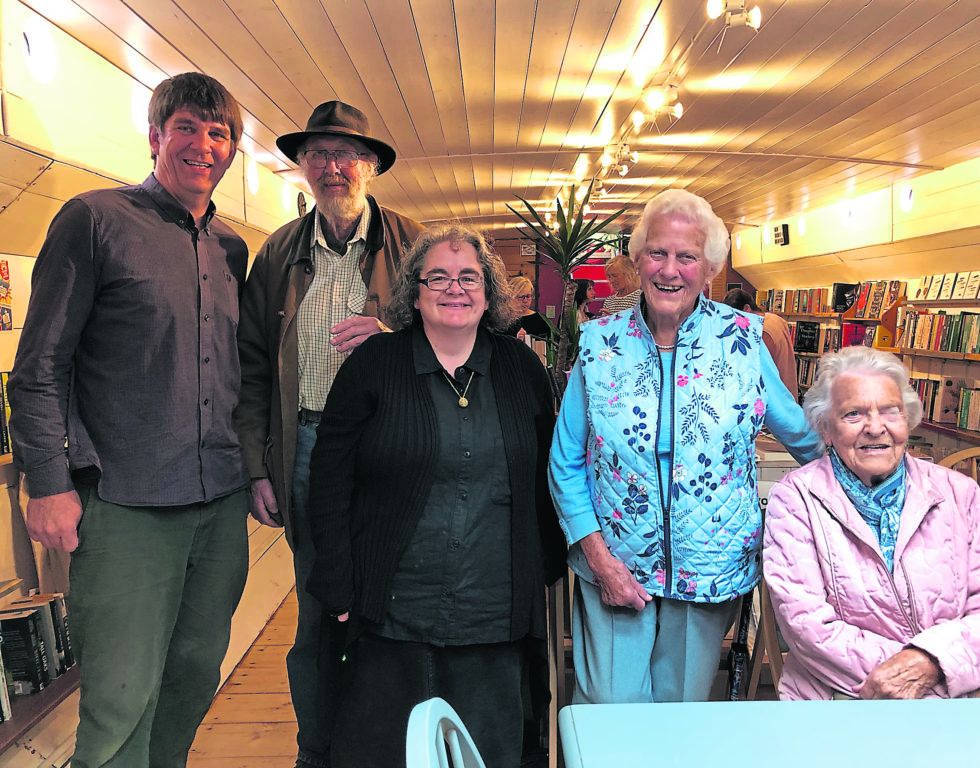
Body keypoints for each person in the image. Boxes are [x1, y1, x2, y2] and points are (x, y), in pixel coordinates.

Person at [7, 72, 249, 768]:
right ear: (154, 136)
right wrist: (47, 482)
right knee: (119, 699)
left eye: (218, 132)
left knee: (192, 679)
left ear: (230, 149)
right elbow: (39, 365)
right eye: (186, 128)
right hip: (125, 507)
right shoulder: (95, 220)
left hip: (218, 505)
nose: (203, 145)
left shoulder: (233, 250)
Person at [304, 224, 564, 768]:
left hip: (492, 618)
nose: (454, 288)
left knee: (488, 752)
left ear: (488, 292)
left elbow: (552, 471)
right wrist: (337, 582)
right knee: (383, 752)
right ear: (415, 293)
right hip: (390, 615)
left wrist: (544, 564)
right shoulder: (374, 365)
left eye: (468, 276)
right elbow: (330, 478)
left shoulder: (522, 370)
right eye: (438, 277)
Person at [548, 188, 821, 705]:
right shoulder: (599, 345)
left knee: (679, 717)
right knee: (609, 709)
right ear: (638, 258)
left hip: (711, 563)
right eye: (657, 252)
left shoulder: (744, 342)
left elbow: (805, 438)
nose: (669, 270)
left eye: (686, 256)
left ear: (709, 268)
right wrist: (599, 558)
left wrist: (874, 479)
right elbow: (565, 461)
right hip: (615, 562)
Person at [236, 100, 424, 768]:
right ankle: (318, 750)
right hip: (309, 451)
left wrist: (396, 340)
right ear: (303, 166)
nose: (332, 167)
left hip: (392, 453)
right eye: (318, 154)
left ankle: (393, 746)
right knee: (320, 608)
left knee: (396, 597)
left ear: (371, 164)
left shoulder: (413, 244)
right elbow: (253, 367)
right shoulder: (279, 253)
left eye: (346, 154)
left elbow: (461, 339)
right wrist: (259, 466)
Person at [763, 345, 980, 700]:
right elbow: (807, 627)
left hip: (960, 697)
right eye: (853, 414)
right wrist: (936, 678)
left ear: (908, 420)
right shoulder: (795, 499)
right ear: (826, 429)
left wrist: (929, 665)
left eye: (890, 411)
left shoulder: (958, 493)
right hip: (845, 698)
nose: (875, 427)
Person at [723, 287, 798, 398]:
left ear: (747, 308)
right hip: (788, 393)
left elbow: (760, 374)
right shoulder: (776, 319)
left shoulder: (762, 331)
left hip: (775, 400)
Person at [502, 275, 556, 342]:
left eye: (528, 296)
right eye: (521, 297)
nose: (525, 300)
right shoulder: (503, 320)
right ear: (511, 296)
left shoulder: (540, 319)